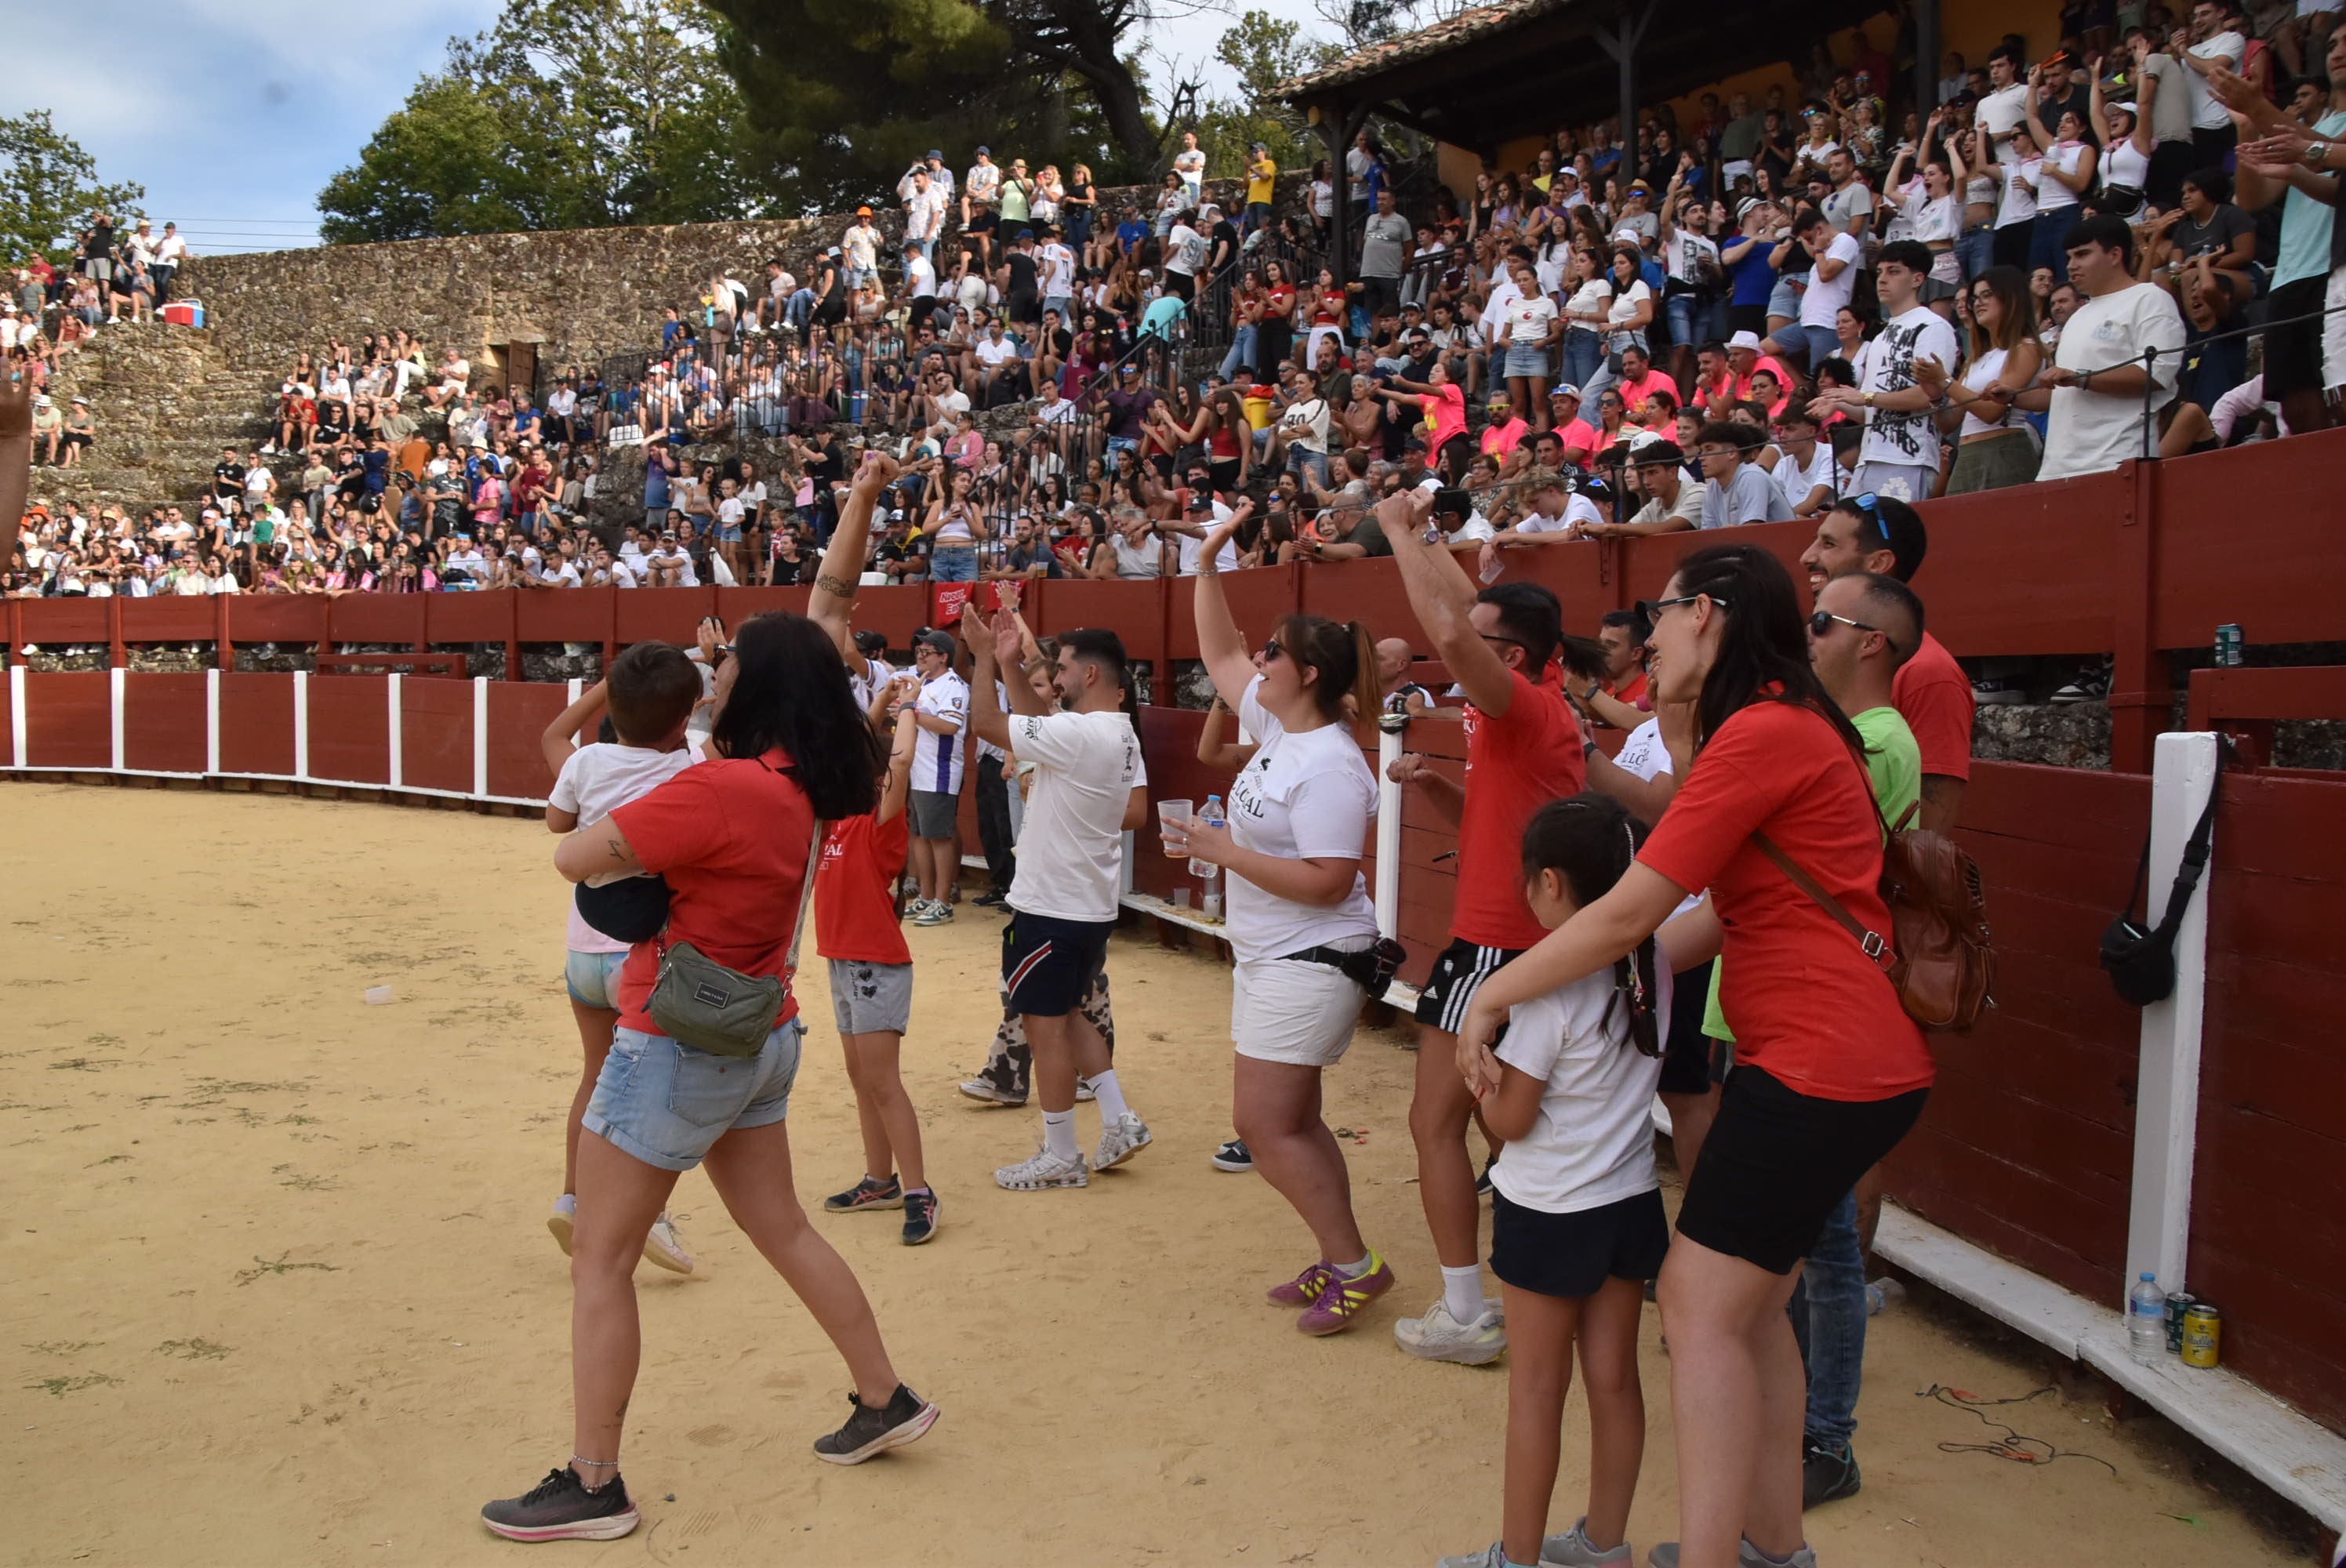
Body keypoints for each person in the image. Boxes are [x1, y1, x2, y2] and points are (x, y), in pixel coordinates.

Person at [1458, 539, 1933, 1568]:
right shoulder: (1790, 727)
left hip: (1813, 1065)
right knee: (1752, 1314)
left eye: (1664, 615)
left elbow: (1634, 913)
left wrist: (1495, 992)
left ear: (1708, 615)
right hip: (1842, 1061)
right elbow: (1698, 918)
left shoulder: (1765, 733)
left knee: (1702, 1308)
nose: (1647, 636)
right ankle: (1771, 1549)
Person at [483, 608, 936, 1542]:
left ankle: (594, 1480)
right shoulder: (804, 784)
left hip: (677, 1038)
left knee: (602, 1256)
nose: (716, 676)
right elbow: (827, 610)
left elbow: (571, 852)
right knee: (783, 1225)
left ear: (755, 686)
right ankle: (883, 1394)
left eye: (729, 665)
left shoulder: (724, 787)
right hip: (761, 1023)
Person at [1439, 794, 1698, 1568]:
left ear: (1551, 882)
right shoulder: (1651, 957)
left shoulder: (1544, 990)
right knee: (1614, 1381)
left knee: (1536, 1392)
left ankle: (1517, 1558)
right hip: (1627, 1202)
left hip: (1550, 1208)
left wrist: (1481, 1084)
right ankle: (1603, 1541)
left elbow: (1511, 1122)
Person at [1170, 513, 1394, 1334]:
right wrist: (1204, 561)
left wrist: (1222, 850)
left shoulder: (1330, 761)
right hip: (1278, 953)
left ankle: (1354, 1262)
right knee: (1292, 1120)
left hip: (1310, 953)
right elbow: (1218, 652)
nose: (1254, 660)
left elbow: (1330, 879)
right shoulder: (1277, 724)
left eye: (1272, 651)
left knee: (1262, 1125)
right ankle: (1343, 1255)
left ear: (1303, 673)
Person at [1382, 490, 1586, 1364]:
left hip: (1496, 943)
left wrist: (1395, 534)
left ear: (1510, 652)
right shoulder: (1528, 703)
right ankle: (1543, 1288)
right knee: (1523, 1123)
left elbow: (1457, 633)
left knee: (1440, 1123)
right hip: (1518, 936)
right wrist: (1421, 535)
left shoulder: (1521, 705)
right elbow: (1466, 619)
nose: (1457, 636)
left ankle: (1468, 1309)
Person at [1789, 568, 1926, 1509]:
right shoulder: (1849, 736)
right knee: (1808, 1235)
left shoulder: (1873, 743)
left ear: (1868, 641)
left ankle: (1824, 1433)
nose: (1807, 632)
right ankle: (1803, 1417)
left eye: (1821, 621)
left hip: (1822, 1011)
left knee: (1826, 1242)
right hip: (1799, 1002)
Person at [960, 605, 1153, 1190]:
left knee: (1045, 1026)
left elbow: (990, 724)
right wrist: (1014, 661)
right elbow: (1029, 718)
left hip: (1053, 904)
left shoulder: (1078, 732)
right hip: (1086, 903)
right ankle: (1118, 1117)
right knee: (1069, 1015)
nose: (1058, 677)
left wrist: (984, 658)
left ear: (1089, 675)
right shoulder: (1118, 733)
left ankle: (1062, 1152)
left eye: (1063, 667)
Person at [538, 649, 705, 1277]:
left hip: (583, 946)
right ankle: (644, 1213)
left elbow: (558, 809)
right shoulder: (690, 765)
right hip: (641, 955)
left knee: (593, 1076)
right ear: (683, 718)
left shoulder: (586, 761)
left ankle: (574, 1196)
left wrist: (612, 686)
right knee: (654, 1093)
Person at [815, 674, 942, 1247]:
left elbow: (904, 758)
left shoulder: (880, 821)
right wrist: (881, 702)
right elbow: (854, 746)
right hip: (844, 958)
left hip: (875, 961)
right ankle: (879, 1179)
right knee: (861, 1076)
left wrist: (909, 707)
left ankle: (918, 1191)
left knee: (883, 1081)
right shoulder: (837, 817)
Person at [2030, 215, 2185, 480]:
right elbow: (2062, 393)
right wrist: (2011, 398)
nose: (2071, 266)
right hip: (2056, 471)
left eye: (2082, 255)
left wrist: (2080, 378)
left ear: (2115, 255)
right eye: (2069, 258)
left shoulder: (2150, 299)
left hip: (2116, 464)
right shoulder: (2078, 316)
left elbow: (2156, 375)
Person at [1809, 241, 1960, 504]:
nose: (1882, 280)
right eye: (1879, 272)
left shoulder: (1933, 326)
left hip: (1909, 458)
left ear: (1917, 279)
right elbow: (1870, 412)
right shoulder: (1879, 339)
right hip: (1870, 457)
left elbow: (1927, 395)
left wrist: (1865, 398)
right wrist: (1839, 403)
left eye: (1894, 271)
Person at [903, 630, 968, 925]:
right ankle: (927, 896)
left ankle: (943, 901)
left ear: (943, 656)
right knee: (919, 834)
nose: (921, 655)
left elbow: (948, 726)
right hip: (921, 770)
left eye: (927, 652)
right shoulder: (925, 682)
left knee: (938, 837)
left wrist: (910, 712)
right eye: (919, 651)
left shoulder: (953, 685)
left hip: (939, 772)